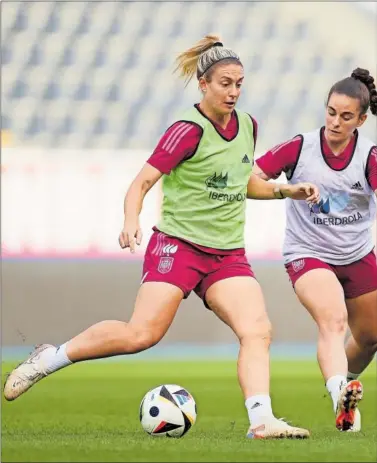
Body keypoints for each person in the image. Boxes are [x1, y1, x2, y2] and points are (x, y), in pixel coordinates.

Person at [4, 35, 320, 439]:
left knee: (257, 329)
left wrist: (283, 190)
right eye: (225, 83)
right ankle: (50, 358)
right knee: (142, 335)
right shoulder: (186, 131)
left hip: (226, 254)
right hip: (178, 246)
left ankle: (261, 420)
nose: (234, 91)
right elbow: (141, 182)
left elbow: (243, 183)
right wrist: (130, 220)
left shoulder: (248, 126)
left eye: (239, 83)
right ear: (203, 84)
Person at [253, 68, 377, 433]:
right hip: (308, 252)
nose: (335, 122)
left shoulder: (369, 157)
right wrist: (286, 190)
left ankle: (343, 391)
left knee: (370, 336)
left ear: (362, 120)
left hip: (358, 254)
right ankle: (341, 390)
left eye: (346, 116)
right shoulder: (300, 147)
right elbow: (251, 180)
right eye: (331, 112)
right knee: (334, 319)